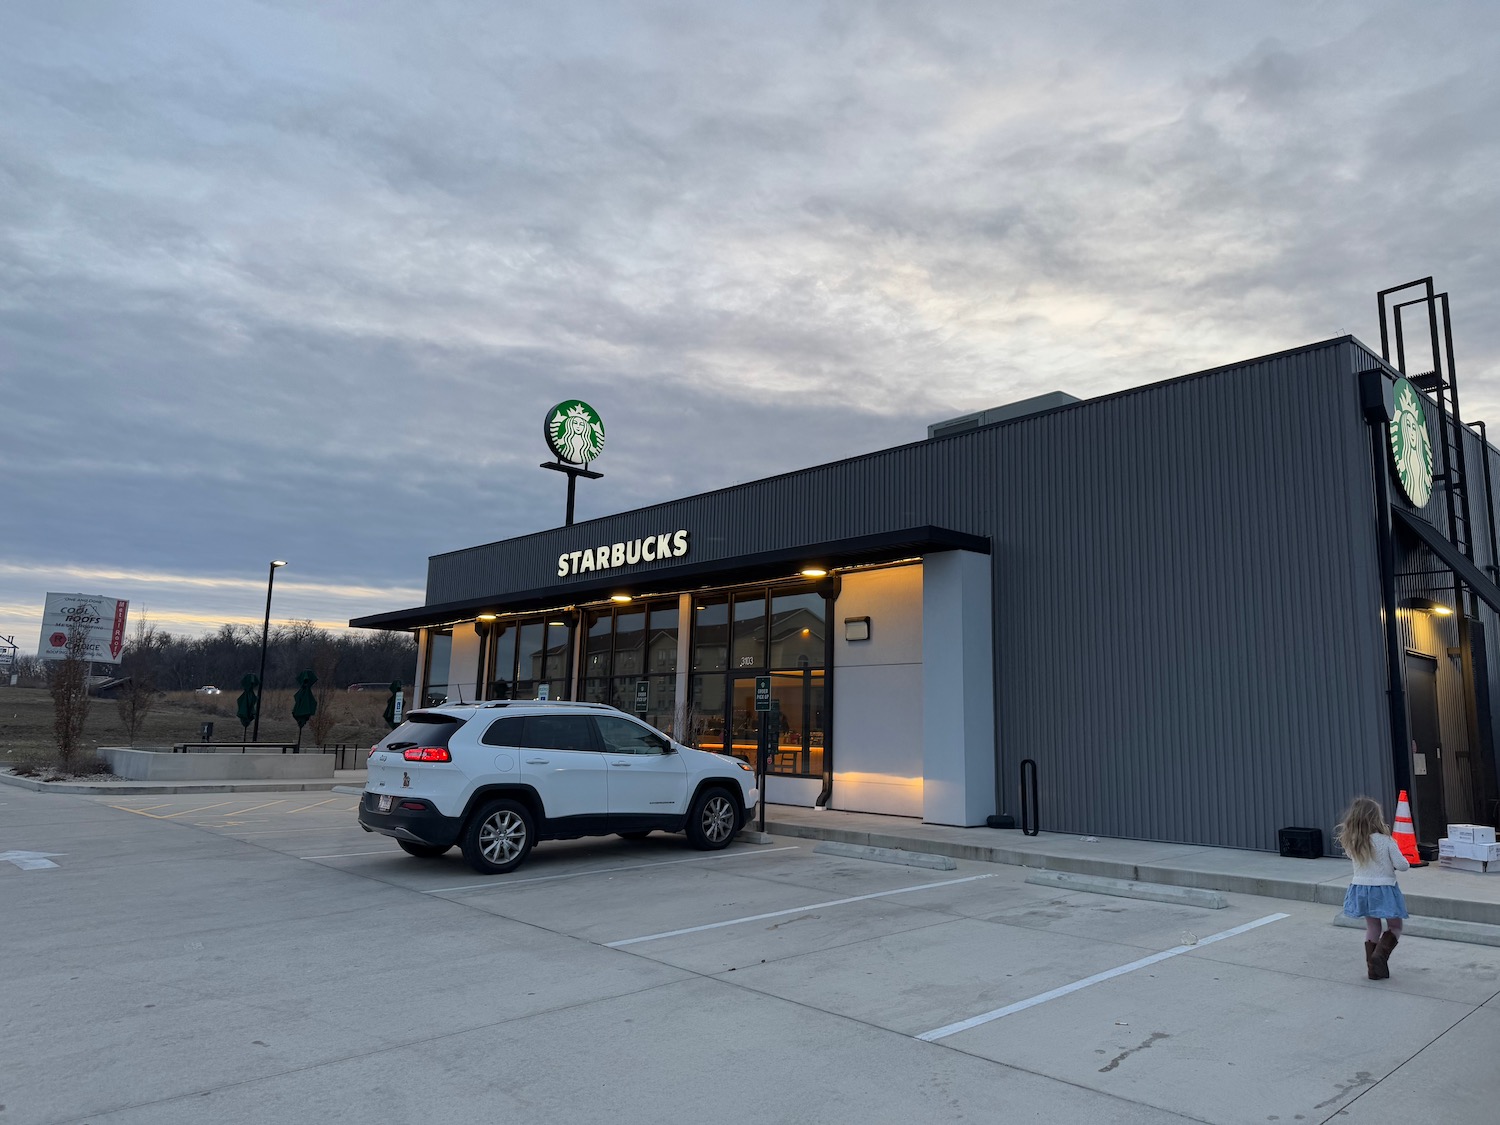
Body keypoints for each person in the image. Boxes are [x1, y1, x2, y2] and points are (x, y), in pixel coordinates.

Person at [1338, 795, 1410, 980]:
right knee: (1395, 926)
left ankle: (1373, 969)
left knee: (1372, 926)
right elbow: (1402, 865)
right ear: (1376, 817)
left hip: (1361, 888)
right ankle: (1380, 956)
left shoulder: (1352, 841)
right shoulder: (1386, 841)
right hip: (1384, 888)